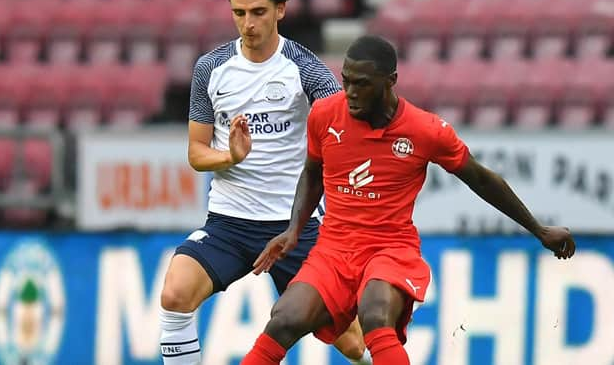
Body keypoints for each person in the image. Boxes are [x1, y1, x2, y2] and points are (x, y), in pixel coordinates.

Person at [240, 35, 577, 365]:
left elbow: (480, 178)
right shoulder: (324, 115)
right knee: (284, 319)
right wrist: (293, 230)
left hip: (390, 249)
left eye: (362, 83)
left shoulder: (425, 130)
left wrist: (538, 229)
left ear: (391, 81)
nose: (351, 93)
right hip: (334, 250)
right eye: (346, 81)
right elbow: (313, 173)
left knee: (375, 314)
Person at [158, 0, 371, 365]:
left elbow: (344, 135)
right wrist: (230, 155)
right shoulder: (210, 69)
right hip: (228, 224)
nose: (248, 23)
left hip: (295, 228)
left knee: (351, 342)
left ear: (280, 9)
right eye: (239, 13)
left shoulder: (306, 70)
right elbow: (196, 153)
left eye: (258, 12)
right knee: (175, 294)